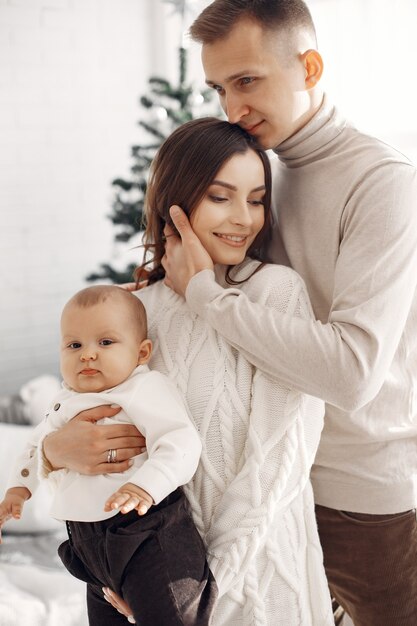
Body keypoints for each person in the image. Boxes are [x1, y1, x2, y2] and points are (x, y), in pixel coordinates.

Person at [155, 2, 417, 626]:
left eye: (247, 81)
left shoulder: (383, 183)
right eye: (219, 88)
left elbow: (352, 373)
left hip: (360, 500)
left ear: (309, 67)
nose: (231, 108)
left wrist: (208, 297)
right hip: (265, 485)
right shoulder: (257, 171)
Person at [43, 117, 334, 624]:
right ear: (174, 200)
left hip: (249, 582)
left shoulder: (275, 294)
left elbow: (279, 463)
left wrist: (193, 592)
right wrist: (52, 449)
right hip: (145, 579)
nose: (244, 218)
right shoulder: (132, 309)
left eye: (257, 198)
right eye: (221, 197)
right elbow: (83, 413)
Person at [0, 285, 216, 626]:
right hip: (87, 545)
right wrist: (18, 490)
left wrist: (146, 486)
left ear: (142, 352)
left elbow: (180, 441)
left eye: (105, 342)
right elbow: (35, 446)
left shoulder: (144, 388)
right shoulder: (63, 401)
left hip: (146, 531)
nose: (87, 354)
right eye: (74, 345)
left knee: (172, 616)